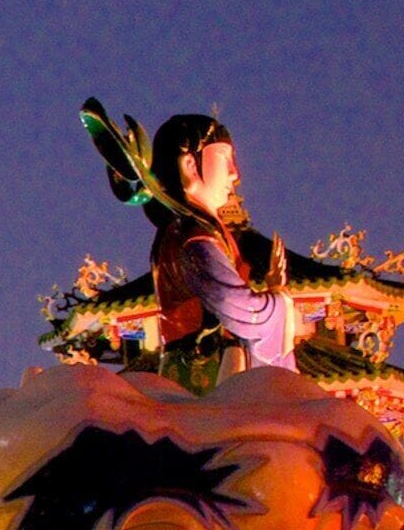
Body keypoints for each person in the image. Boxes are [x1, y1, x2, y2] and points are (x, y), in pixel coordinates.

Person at [84, 101, 297, 376]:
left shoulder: (191, 231)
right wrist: (278, 300)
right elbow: (235, 305)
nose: (235, 174)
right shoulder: (193, 238)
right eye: (224, 159)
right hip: (204, 371)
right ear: (189, 166)